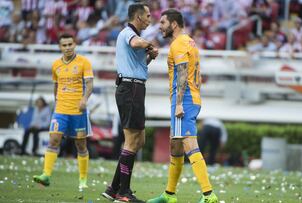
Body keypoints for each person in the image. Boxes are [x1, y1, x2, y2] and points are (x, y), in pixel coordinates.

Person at [147, 9, 218, 203]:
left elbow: (183, 73)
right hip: (190, 98)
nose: (159, 26)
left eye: (162, 23)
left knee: (189, 144)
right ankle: (169, 195)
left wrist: (178, 103)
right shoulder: (189, 41)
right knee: (175, 146)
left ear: (174, 24)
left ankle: (208, 194)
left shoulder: (178, 45)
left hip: (184, 100)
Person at [101, 3, 158, 202]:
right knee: (132, 141)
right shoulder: (128, 33)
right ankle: (124, 193)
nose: (150, 19)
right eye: (148, 16)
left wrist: (149, 57)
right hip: (130, 88)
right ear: (138, 16)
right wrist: (149, 45)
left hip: (135, 87)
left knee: (138, 140)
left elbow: (138, 64)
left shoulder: (132, 35)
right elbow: (135, 44)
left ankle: (113, 188)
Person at [33, 33, 94, 191]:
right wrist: (56, 102)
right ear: (60, 47)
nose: (67, 48)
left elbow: (89, 84)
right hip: (60, 110)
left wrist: (84, 99)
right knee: (53, 140)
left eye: (70, 44)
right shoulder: (56, 65)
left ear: (75, 45)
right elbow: (56, 85)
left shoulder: (84, 62)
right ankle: (46, 175)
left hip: (78, 111)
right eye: (64, 45)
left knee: (80, 145)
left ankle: (83, 178)